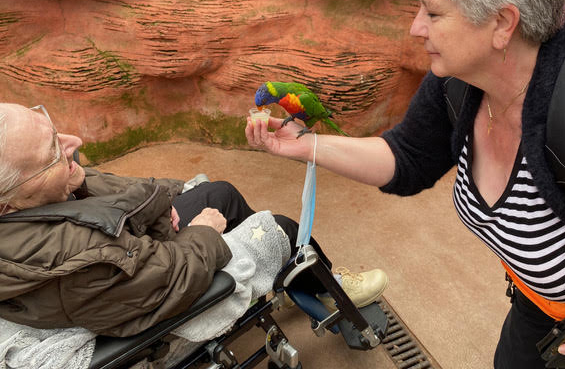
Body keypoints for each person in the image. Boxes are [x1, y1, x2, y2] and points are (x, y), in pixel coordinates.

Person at [246, 0, 565, 368]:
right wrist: (306, 146)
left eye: (433, 13)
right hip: (538, 309)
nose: (416, 28)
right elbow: (407, 157)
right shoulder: (457, 83)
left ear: (502, 23)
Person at [0, 102, 388, 337]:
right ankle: (326, 285)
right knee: (283, 228)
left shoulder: (39, 198)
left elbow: (113, 191)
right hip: (150, 273)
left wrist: (167, 196)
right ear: (8, 205)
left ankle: (291, 281)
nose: (75, 143)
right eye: (53, 150)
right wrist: (204, 230)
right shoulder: (73, 261)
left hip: (132, 248)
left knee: (220, 193)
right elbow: (167, 282)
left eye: (54, 131)